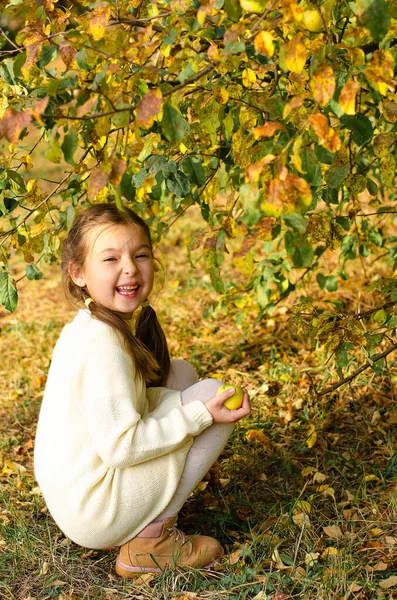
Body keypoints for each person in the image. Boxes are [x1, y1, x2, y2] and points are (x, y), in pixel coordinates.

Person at [34, 203, 251, 578]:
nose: (130, 267)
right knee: (213, 395)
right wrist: (199, 418)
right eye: (110, 258)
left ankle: (150, 514)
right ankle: (151, 542)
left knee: (181, 374)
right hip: (95, 509)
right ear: (79, 273)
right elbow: (122, 447)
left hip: (81, 493)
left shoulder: (92, 325)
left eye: (140, 255)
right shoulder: (104, 345)